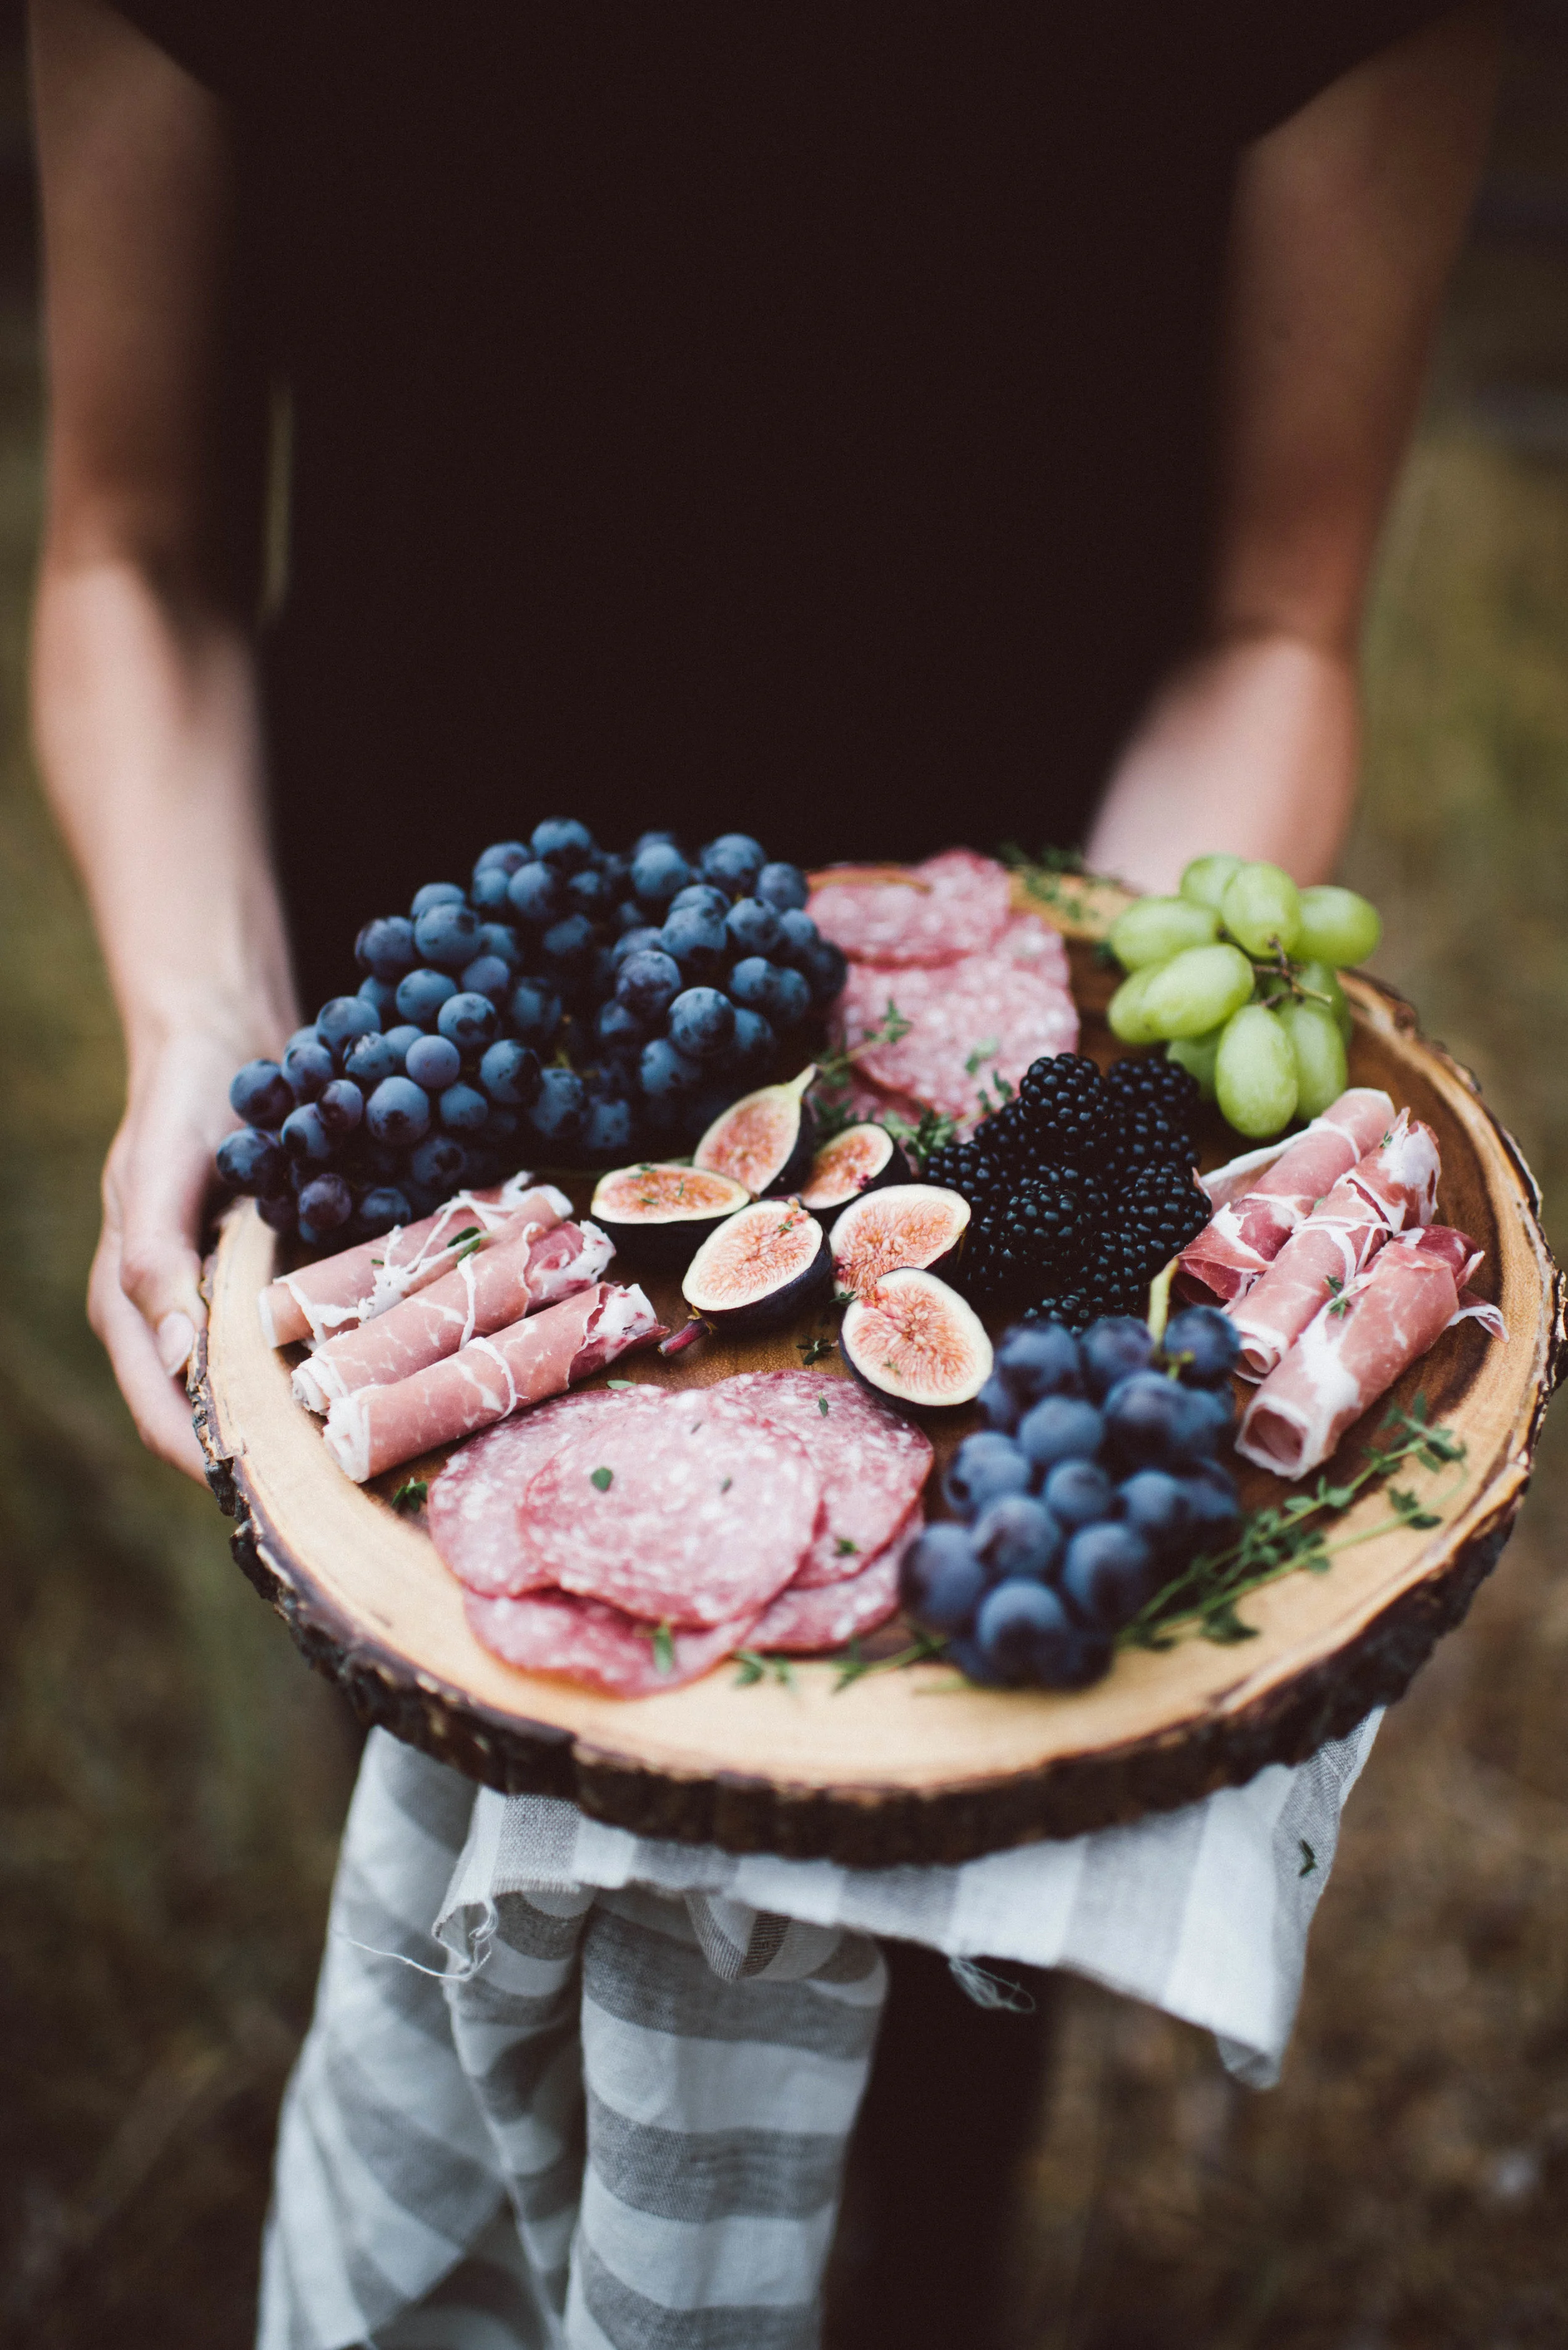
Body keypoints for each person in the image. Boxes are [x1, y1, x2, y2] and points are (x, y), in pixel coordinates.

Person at [29, 2, 1500, 2344]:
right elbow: (131, 546)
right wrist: (206, 1025)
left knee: (927, 2013)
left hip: (1002, 1020)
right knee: (479, 1872)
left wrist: (1068, 1117)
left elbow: (1270, 617)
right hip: (443, 1066)